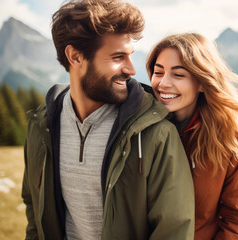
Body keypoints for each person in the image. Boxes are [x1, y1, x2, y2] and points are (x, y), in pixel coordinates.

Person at [21, 1, 195, 239]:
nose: (132, 69)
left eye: (130, 55)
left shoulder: (156, 133)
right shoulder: (41, 127)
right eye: (118, 57)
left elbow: (173, 230)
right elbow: (34, 210)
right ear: (75, 57)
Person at [146, 33, 238, 240]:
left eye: (178, 75)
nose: (163, 83)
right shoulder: (137, 129)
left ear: (203, 82)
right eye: (158, 72)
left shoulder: (231, 138)